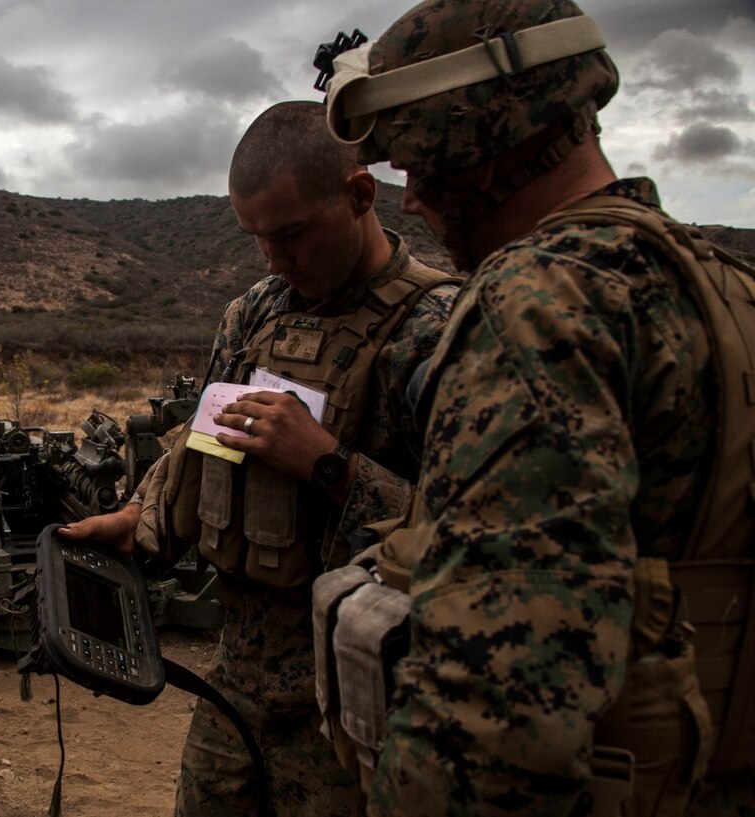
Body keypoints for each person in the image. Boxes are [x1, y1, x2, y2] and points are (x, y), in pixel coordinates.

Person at [320, 0, 755, 814]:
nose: (410, 199)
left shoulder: (538, 304)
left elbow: (494, 709)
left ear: (481, 145)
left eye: (419, 165)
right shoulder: (725, 287)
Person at [60, 100, 460, 817]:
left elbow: (472, 542)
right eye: (256, 240)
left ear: (360, 195)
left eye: (292, 235)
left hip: (359, 696)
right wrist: (141, 519)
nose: (275, 261)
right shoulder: (253, 315)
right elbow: (202, 444)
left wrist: (331, 464)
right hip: (236, 675)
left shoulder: (436, 331)